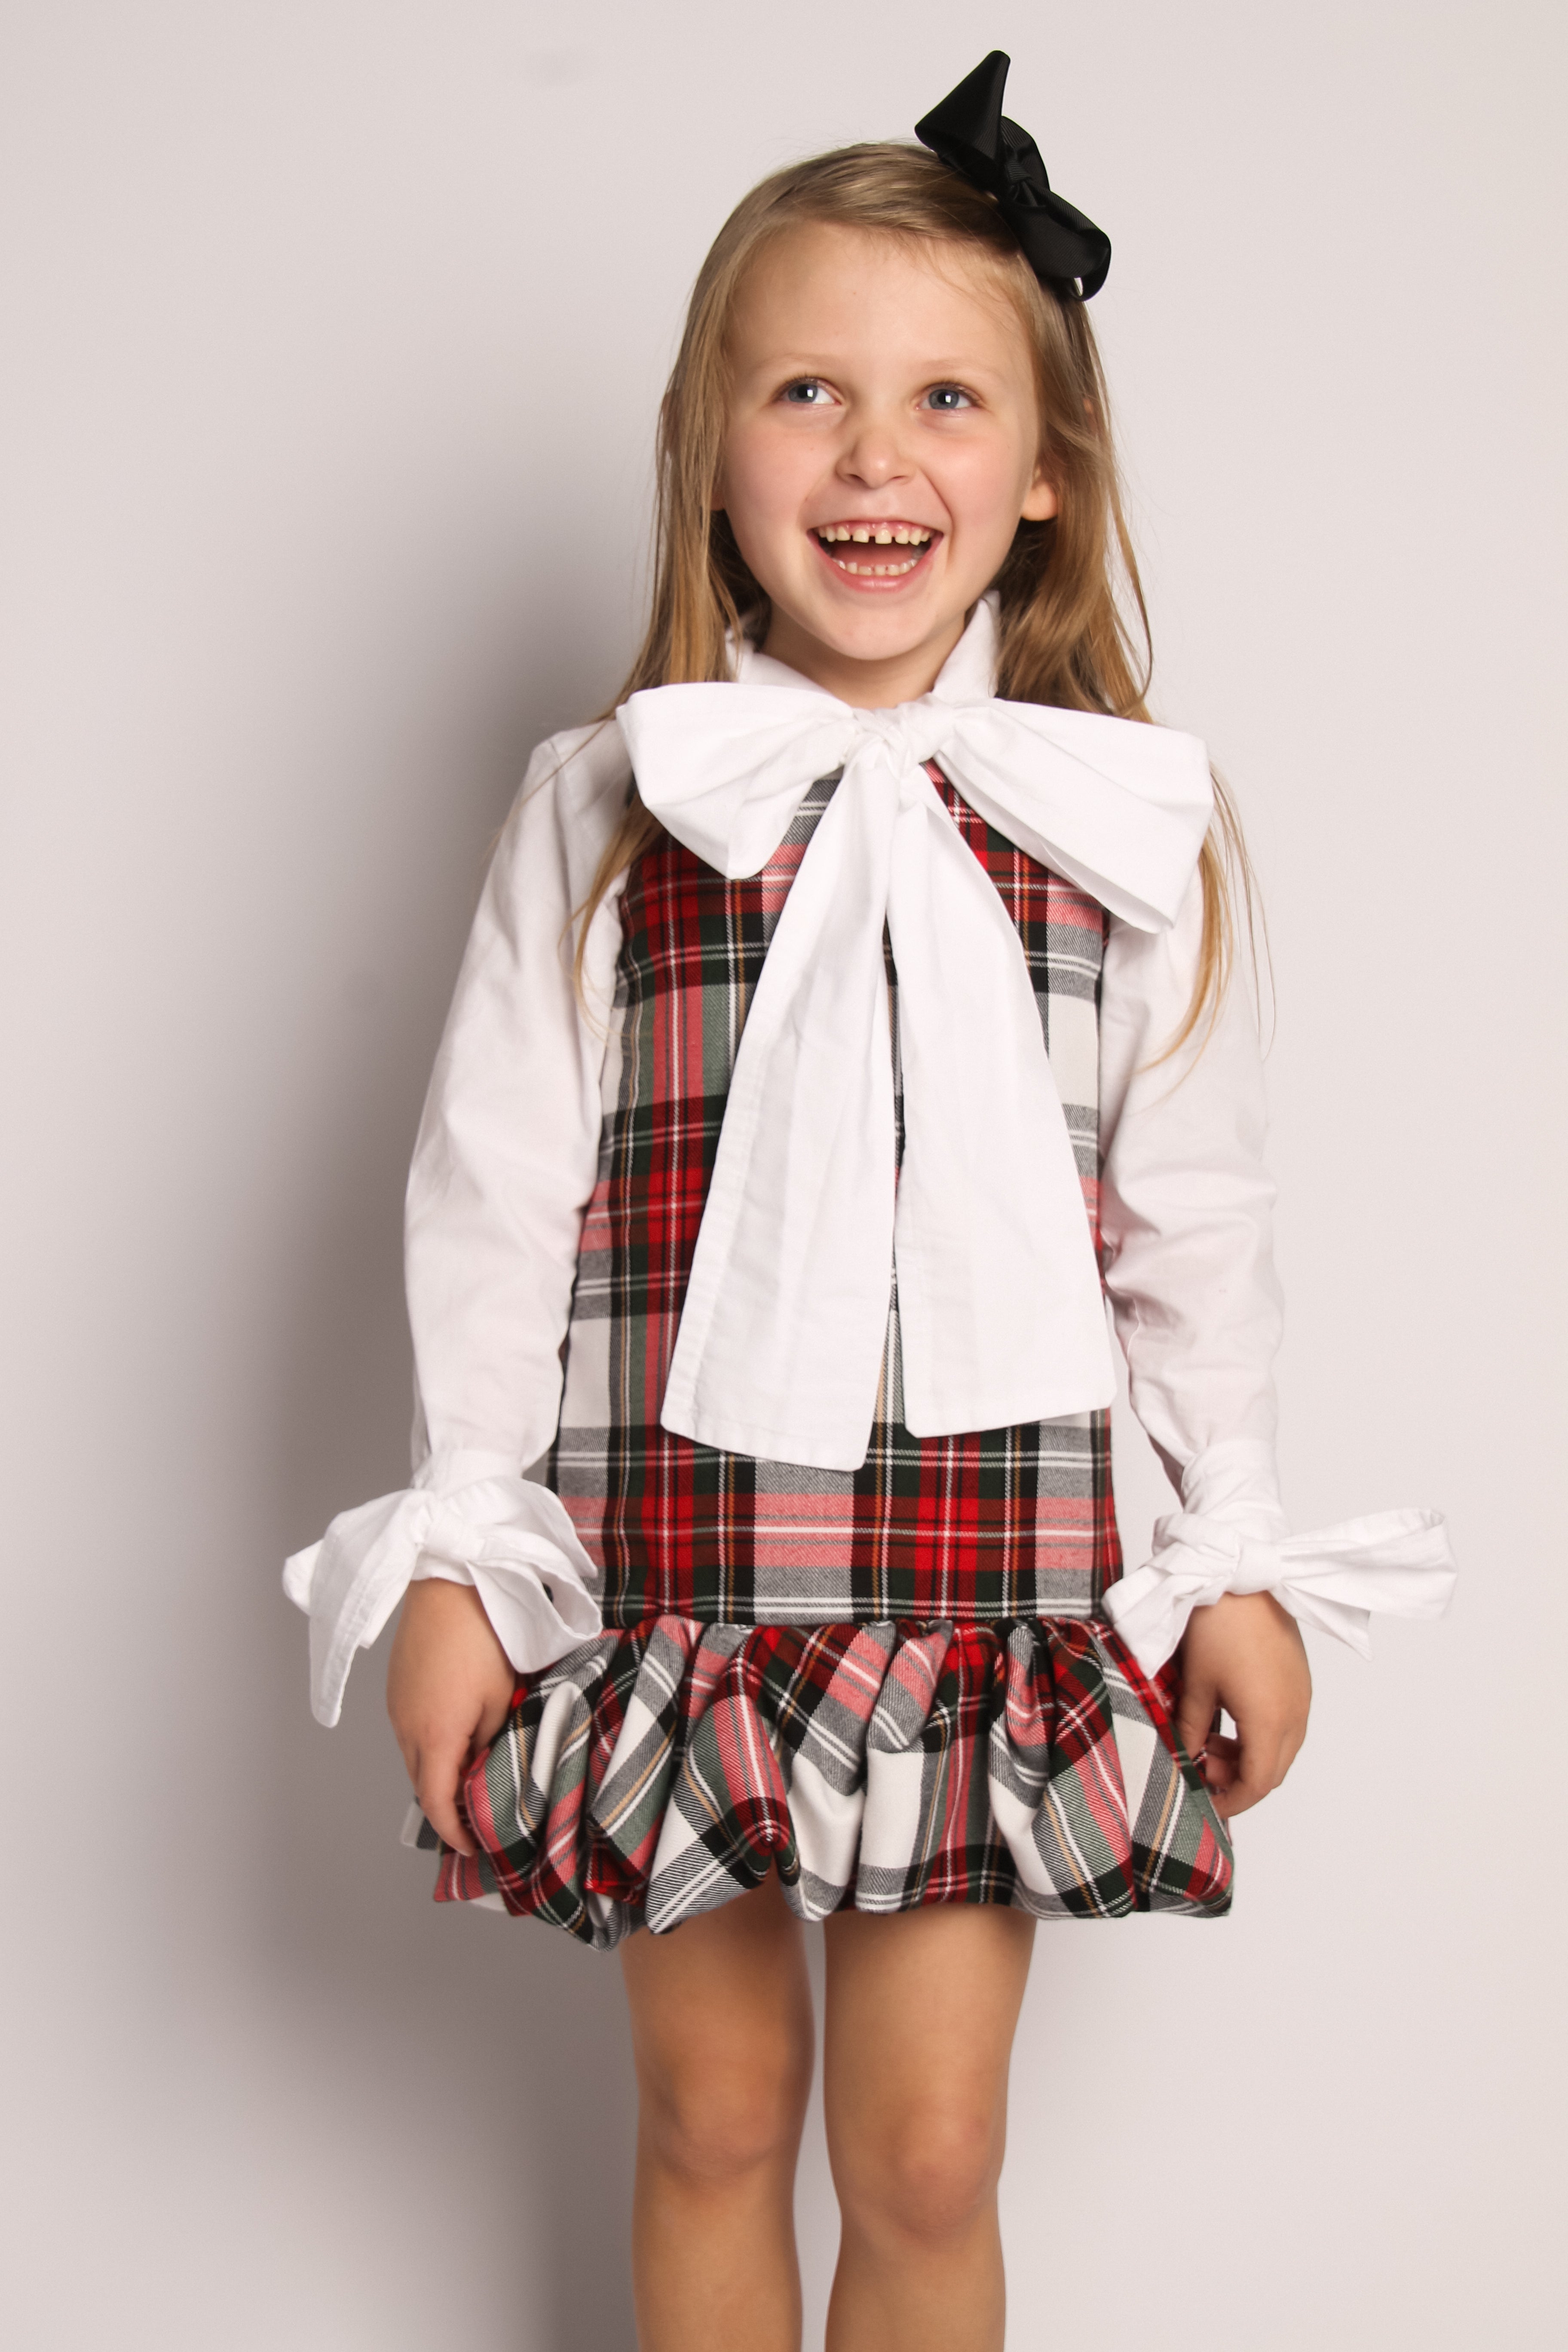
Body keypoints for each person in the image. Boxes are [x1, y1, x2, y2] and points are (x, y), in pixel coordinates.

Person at [285, 53, 1455, 2352]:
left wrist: (1232, 1555)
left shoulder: (1129, 826)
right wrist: (457, 1558)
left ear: (1046, 470)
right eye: (806, 391)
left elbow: (1193, 1227)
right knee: (716, 2116)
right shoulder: (611, 803)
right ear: (710, 452)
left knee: (927, 2152)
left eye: (944, 399)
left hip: (991, 1573)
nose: (873, 456)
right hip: (683, 1567)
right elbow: (496, 1200)